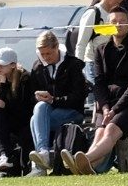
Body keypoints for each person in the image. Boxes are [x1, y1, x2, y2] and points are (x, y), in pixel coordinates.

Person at [63, 8, 128, 175]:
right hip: (108, 103)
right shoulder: (101, 50)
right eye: (113, 21)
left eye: (122, 21)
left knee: (110, 129)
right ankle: (86, 168)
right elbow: (99, 83)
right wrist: (105, 108)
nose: (118, 24)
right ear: (108, 25)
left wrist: (114, 110)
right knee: (100, 132)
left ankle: (85, 159)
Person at [27, 30, 88, 176]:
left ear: (56, 48)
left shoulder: (73, 65)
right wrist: (38, 97)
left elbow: (79, 96)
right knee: (38, 110)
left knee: (35, 120)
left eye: (49, 53)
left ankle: (40, 165)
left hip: (73, 112)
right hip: (49, 113)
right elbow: (31, 95)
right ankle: (43, 154)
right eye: (43, 54)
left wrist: (54, 100)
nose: (46, 57)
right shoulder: (37, 67)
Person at [0, 47, 35, 177]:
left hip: (24, 119)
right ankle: (4, 159)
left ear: (13, 65)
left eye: (2, 65)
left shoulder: (25, 79)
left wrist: (6, 105)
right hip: (8, 120)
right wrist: (2, 84)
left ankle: (6, 158)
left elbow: (26, 107)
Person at [75, 0, 128, 83]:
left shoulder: (118, 14)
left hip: (113, 65)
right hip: (93, 65)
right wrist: (77, 72)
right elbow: (81, 44)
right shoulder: (93, 13)